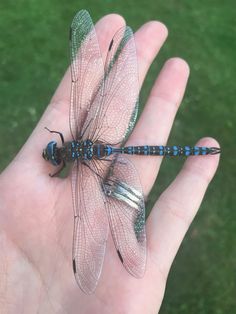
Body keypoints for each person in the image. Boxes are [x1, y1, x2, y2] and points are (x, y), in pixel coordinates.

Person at [0, 13, 220, 313]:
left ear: (60, 155)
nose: (55, 150)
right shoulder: (78, 144)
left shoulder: (78, 170)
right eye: (55, 151)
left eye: (54, 151)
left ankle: (198, 153)